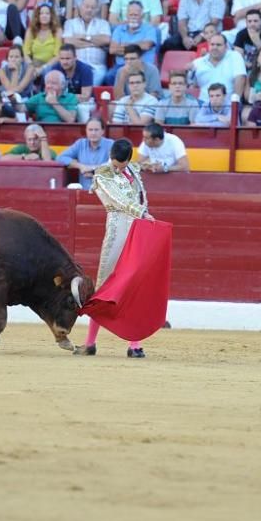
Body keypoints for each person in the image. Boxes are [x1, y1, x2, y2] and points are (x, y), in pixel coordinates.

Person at [74, 138, 155, 359]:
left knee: (133, 284)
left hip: (138, 230)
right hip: (118, 228)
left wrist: (143, 216)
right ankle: (90, 342)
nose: (116, 168)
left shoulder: (134, 170)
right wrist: (142, 213)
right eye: (114, 162)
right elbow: (118, 200)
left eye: (121, 165)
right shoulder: (103, 173)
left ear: (129, 160)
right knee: (106, 286)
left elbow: (140, 197)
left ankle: (134, 344)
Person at [63, 0, 111, 85]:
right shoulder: (70, 23)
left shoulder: (103, 23)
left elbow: (106, 40)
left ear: (97, 10)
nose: (89, 10)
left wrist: (84, 37)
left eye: (93, 7)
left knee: (90, 88)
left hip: (98, 68)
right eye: (87, 6)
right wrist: (94, 43)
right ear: (80, 7)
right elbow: (68, 41)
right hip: (76, 66)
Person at [58, 117, 114, 189]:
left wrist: (94, 171)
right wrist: (80, 166)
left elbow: (115, 166)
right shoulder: (80, 144)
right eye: (90, 130)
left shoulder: (111, 144)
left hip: (105, 191)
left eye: (96, 130)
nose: (93, 133)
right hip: (84, 191)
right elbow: (60, 157)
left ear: (102, 131)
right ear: (86, 131)